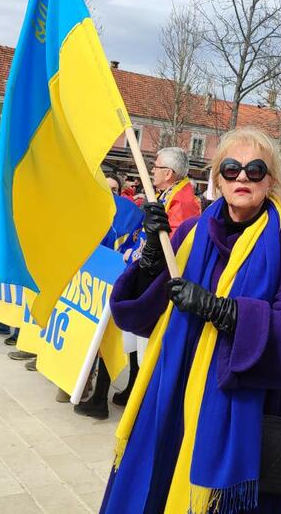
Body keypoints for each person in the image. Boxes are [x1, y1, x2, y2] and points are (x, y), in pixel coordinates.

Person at [98, 127, 281, 513]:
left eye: (255, 169)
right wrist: (151, 258)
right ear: (216, 179)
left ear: (272, 180)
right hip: (174, 392)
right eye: (231, 168)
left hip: (249, 406)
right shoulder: (189, 232)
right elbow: (144, 314)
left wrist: (222, 311)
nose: (243, 177)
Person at [77, 148, 204, 418]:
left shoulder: (183, 202)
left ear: (168, 173)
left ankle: (133, 402)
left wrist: (141, 254)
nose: (152, 170)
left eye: (155, 166)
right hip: (145, 277)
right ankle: (130, 390)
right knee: (132, 342)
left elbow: (173, 247)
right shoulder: (168, 196)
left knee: (142, 346)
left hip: (156, 286)